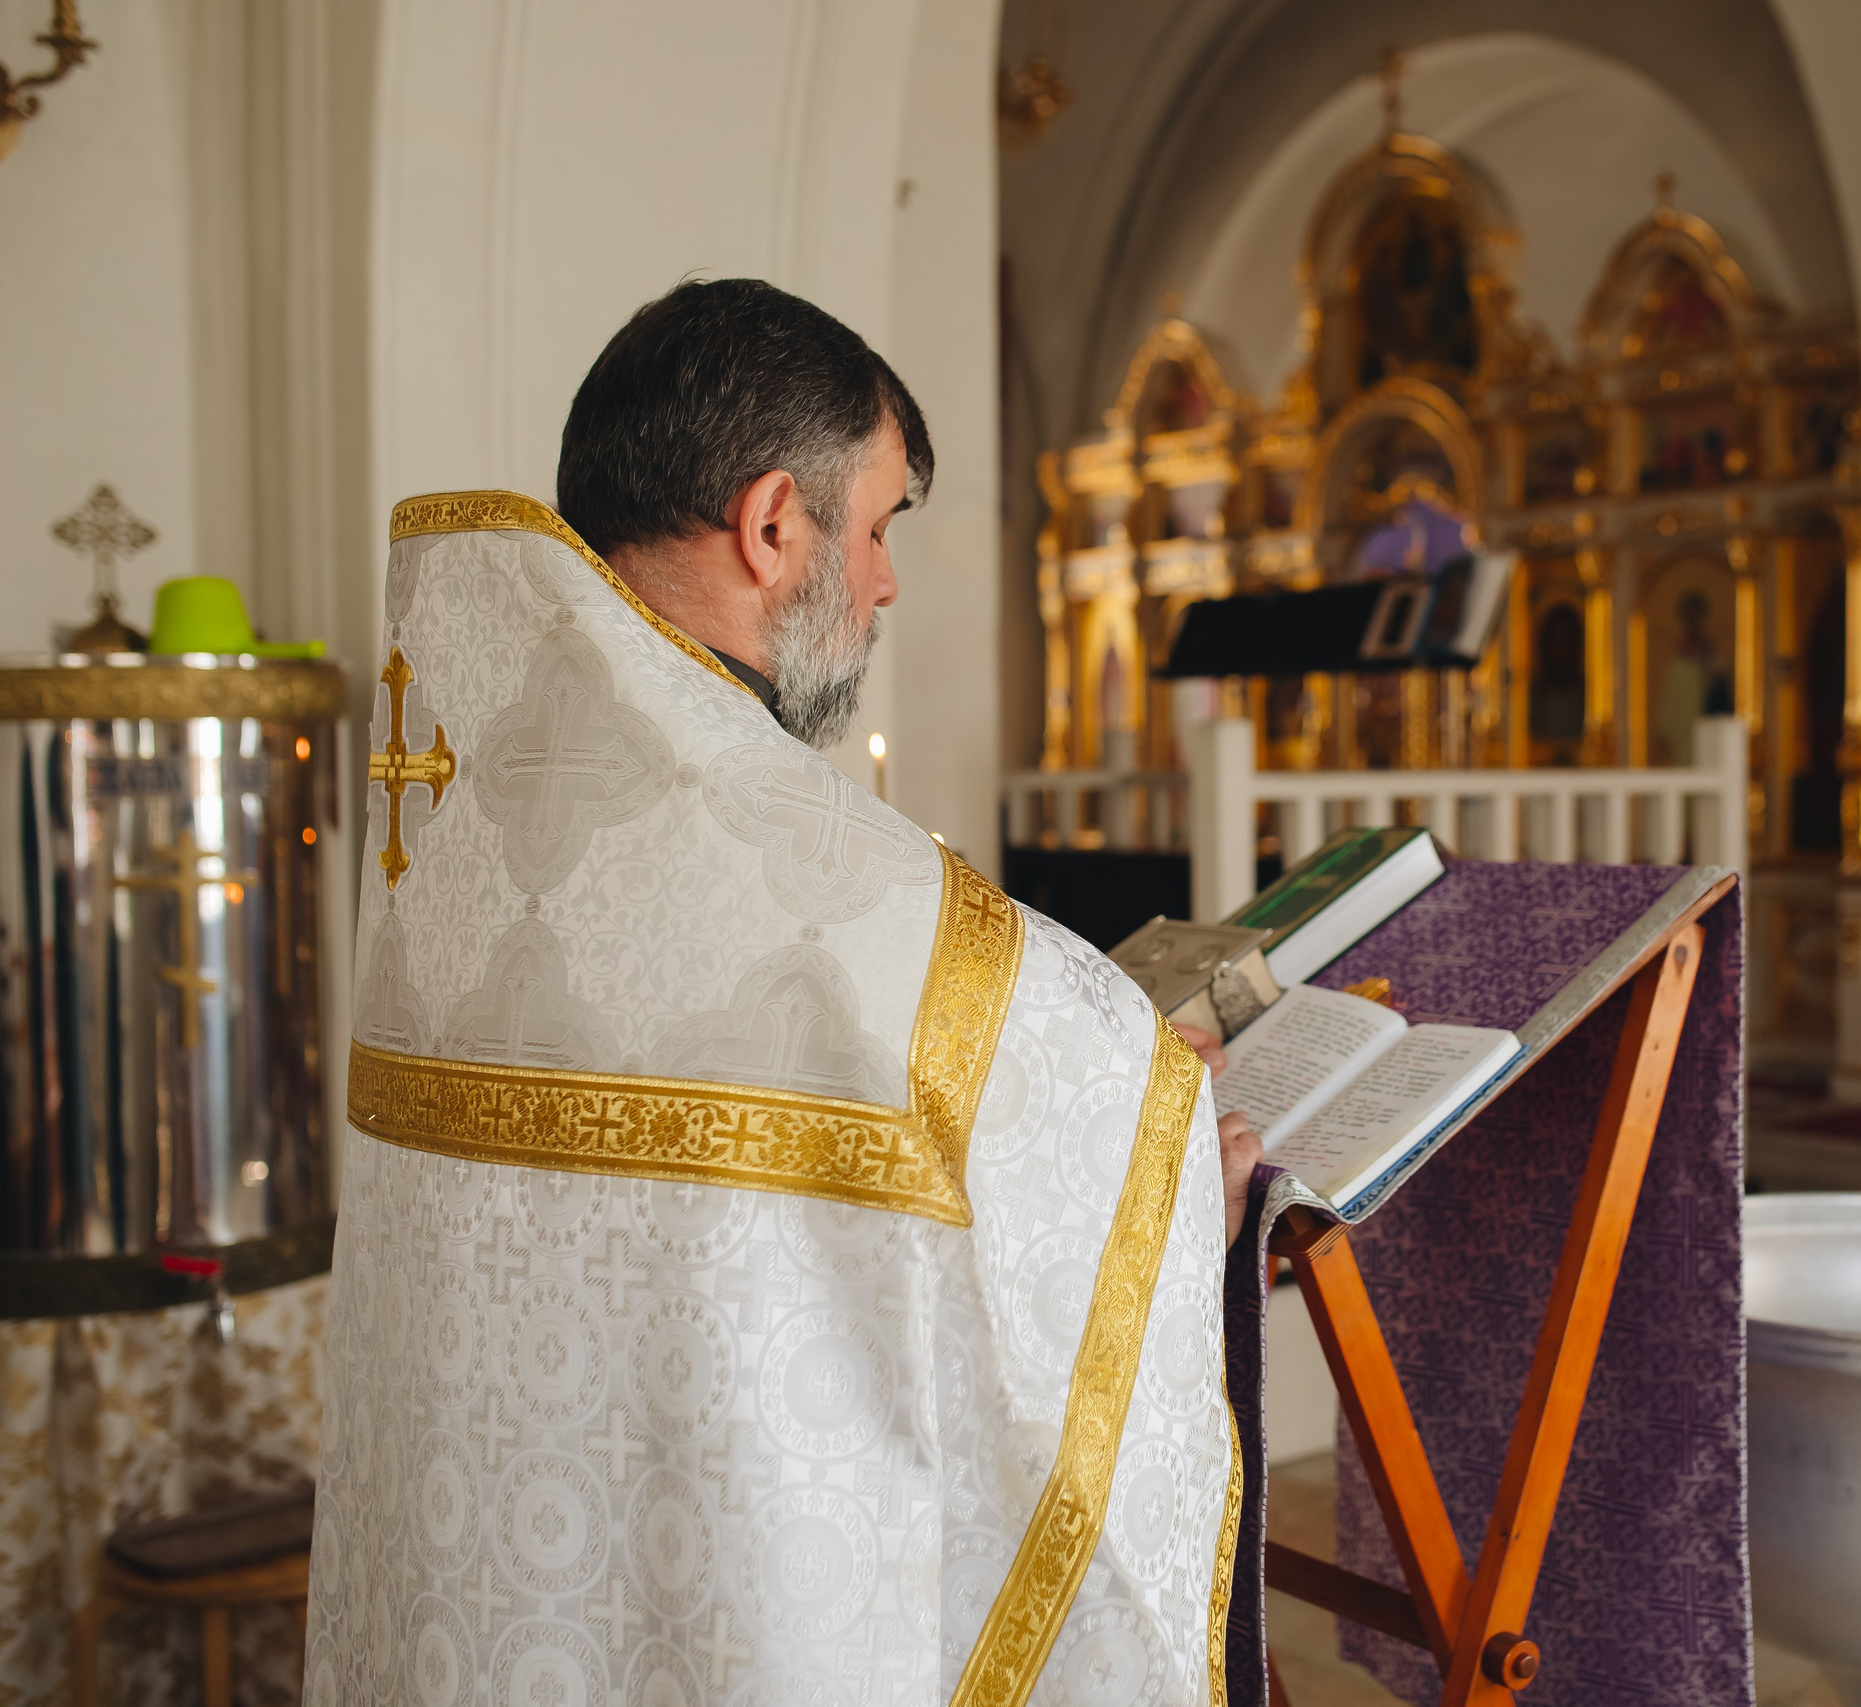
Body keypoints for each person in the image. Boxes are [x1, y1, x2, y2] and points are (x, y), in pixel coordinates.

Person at [307, 279, 1260, 1705]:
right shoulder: (849, 905)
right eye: (873, 528)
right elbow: (1061, 1217)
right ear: (771, 525)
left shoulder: (450, 845)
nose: (881, 582)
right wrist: (1179, 1176)